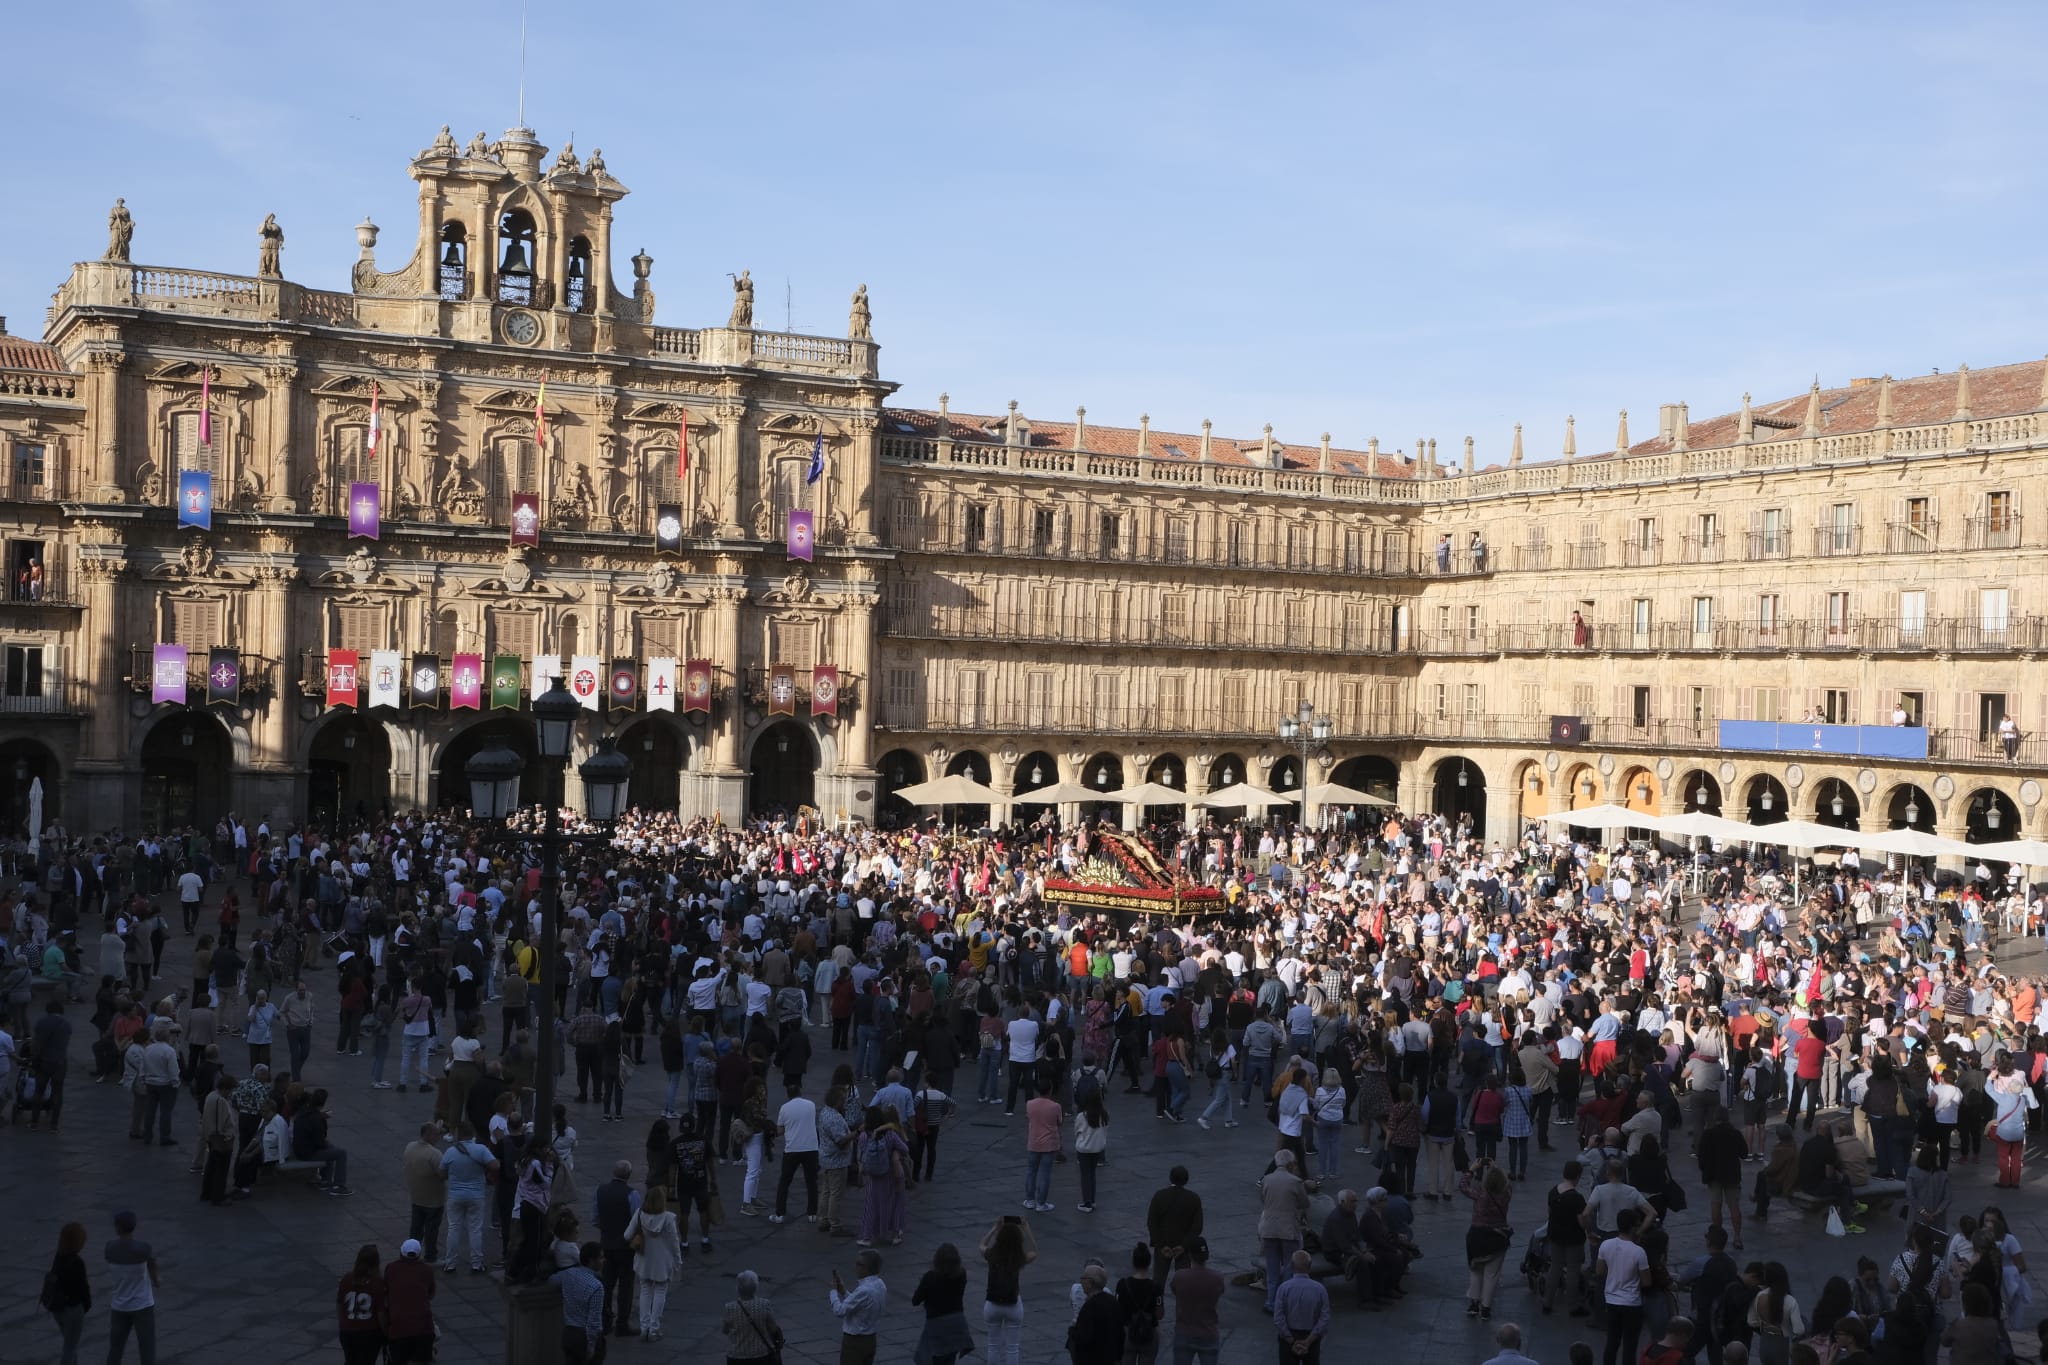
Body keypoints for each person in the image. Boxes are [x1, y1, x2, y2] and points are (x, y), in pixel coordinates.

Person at [592, 1159, 643, 1338]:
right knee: (626, 1286)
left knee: (606, 1283)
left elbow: (595, 1218)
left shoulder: (600, 1191)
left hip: (606, 1244)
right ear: (628, 1175)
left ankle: (604, 1321)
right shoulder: (632, 1194)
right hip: (625, 1247)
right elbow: (637, 1222)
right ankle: (622, 1324)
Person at [1596, 1208, 1652, 1365]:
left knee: (1612, 1342)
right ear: (1633, 1227)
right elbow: (1646, 1282)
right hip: (1632, 1303)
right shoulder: (1639, 1252)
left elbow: (1599, 1271)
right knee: (1630, 1346)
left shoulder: (1606, 1245)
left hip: (1612, 1300)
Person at [979, 1213, 1036, 1365]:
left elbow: (981, 1245)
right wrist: (1026, 1228)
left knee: (993, 1346)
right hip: (1013, 1304)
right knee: (1012, 1348)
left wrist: (994, 1228)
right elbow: (1033, 1251)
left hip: (992, 1304)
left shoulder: (992, 1254)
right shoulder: (1018, 1257)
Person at [104, 1210, 158, 1365]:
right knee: (147, 1348)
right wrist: (156, 1280)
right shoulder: (143, 1249)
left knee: (115, 1349)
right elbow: (152, 1265)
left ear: (117, 1228)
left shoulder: (109, 1248)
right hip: (142, 1305)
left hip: (119, 1305)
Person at [1258, 1148, 1308, 1315]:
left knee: (1272, 1269)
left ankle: (1271, 1302)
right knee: (1288, 1267)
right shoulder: (1295, 1181)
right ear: (1290, 1164)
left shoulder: (1266, 1179)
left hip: (1268, 1228)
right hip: (1288, 1228)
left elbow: (1263, 1199)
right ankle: (1285, 1303)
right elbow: (1304, 1203)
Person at [441, 1121, 496, 1273]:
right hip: (476, 1195)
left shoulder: (450, 1152)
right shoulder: (481, 1150)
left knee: (453, 1228)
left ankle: (450, 1263)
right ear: (472, 1133)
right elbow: (495, 1165)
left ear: (459, 1134)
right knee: (475, 1230)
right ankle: (476, 1264)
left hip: (455, 1195)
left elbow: (442, 1173)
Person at [628, 1185, 681, 1340]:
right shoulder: (668, 1218)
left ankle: (644, 1328)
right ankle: (654, 1329)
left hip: (644, 1259)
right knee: (660, 1291)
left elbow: (626, 1235)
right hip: (662, 1262)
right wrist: (678, 1261)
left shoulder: (639, 1214)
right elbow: (674, 1242)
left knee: (645, 1291)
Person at [911, 1242, 975, 1365]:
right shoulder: (961, 1274)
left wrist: (922, 1285)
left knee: (930, 1357)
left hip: (937, 1325)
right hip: (957, 1323)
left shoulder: (930, 1277)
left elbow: (916, 1301)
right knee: (949, 1357)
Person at [43, 1221, 92, 1365]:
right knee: (70, 1348)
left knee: (70, 1344)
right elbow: (83, 1288)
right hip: (73, 1309)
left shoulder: (59, 1256)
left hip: (57, 1308)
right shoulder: (77, 1262)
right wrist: (86, 1306)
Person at [772, 1080, 820, 1223]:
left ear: (788, 1095)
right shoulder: (811, 1105)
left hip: (792, 1149)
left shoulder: (784, 1108)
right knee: (811, 1181)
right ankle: (812, 1213)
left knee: (784, 1182)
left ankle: (780, 1214)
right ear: (800, 1092)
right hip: (811, 1148)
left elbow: (780, 1130)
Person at [829, 1249, 888, 1365]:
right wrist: (843, 1292)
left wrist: (833, 1291)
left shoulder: (864, 1290)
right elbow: (860, 1304)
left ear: (868, 1268)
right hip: (871, 1339)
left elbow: (839, 1311)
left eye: (859, 1264)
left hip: (855, 1342)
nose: (856, 1267)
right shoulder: (880, 1284)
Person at [1271, 1249, 1331, 1364]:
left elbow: (1278, 1318)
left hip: (1289, 1335)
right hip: (1311, 1336)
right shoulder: (1320, 1289)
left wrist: (1291, 1341)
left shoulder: (1283, 1288)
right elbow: (1324, 1318)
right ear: (1310, 1266)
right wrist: (1308, 1341)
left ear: (1292, 1266)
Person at [384, 1240, 437, 1365]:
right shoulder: (427, 1269)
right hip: (423, 1328)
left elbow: (386, 1292)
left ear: (401, 1253)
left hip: (398, 1328)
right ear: (418, 1255)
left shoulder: (391, 1268)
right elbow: (431, 1294)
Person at [402, 1121, 448, 1263]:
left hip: (416, 1197)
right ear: (428, 1135)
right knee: (431, 1229)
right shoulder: (434, 1154)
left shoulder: (410, 1147)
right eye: (436, 1134)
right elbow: (443, 1174)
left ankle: (411, 1252)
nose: (438, 1137)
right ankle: (431, 1256)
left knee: (416, 1228)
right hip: (434, 1200)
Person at [336, 1243, 389, 1365]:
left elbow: (339, 1304)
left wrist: (343, 1322)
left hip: (347, 1332)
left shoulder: (346, 1278)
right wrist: (386, 1333)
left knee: (350, 1361)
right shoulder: (378, 1283)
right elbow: (381, 1314)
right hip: (369, 1332)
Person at [556, 1242, 607, 1365]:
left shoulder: (568, 1274)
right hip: (583, 1338)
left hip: (569, 1334)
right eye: (600, 1257)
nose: (603, 1260)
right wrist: (591, 1348)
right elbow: (593, 1321)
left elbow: (552, 1280)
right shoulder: (596, 1286)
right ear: (591, 1261)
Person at [1146, 1166, 1204, 1275]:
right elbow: (1197, 1227)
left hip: (1163, 1244)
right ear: (1186, 1179)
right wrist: (1183, 1246)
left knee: (1159, 1278)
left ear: (1170, 1178)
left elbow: (1151, 1223)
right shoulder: (1193, 1198)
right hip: (1183, 1246)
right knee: (1183, 1280)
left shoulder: (1159, 1196)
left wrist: (1161, 1245)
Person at [1745, 1262, 1803, 1365]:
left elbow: (1751, 1322)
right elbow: (1799, 1330)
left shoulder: (1760, 1296)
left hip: (1765, 1344)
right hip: (1782, 1347)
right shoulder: (1789, 1301)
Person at [722, 1269, 784, 1363]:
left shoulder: (729, 1307)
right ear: (756, 1287)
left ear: (738, 1288)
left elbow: (725, 1330)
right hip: (761, 1355)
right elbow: (773, 1328)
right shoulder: (764, 1304)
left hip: (737, 1356)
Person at [1069, 1263, 1125, 1365]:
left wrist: (1073, 1331)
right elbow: (1121, 1333)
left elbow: (1084, 1339)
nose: (1081, 1282)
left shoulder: (1089, 1307)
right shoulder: (1113, 1301)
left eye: (1083, 1278)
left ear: (1090, 1283)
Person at [1023, 1082, 1064, 1211]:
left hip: (1034, 1142)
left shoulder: (1029, 1104)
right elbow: (1059, 1122)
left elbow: (1029, 1117)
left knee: (1031, 1171)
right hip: (1049, 1144)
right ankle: (1041, 1203)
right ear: (1050, 1090)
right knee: (1045, 1174)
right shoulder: (1055, 1106)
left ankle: (1029, 1200)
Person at [1074, 1086, 1109, 1212]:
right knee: (1092, 1174)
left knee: (1085, 1175)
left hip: (1084, 1149)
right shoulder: (1104, 1114)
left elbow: (1076, 1131)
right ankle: (1092, 1200)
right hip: (1097, 1148)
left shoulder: (1081, 1116)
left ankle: (1087, 1202)